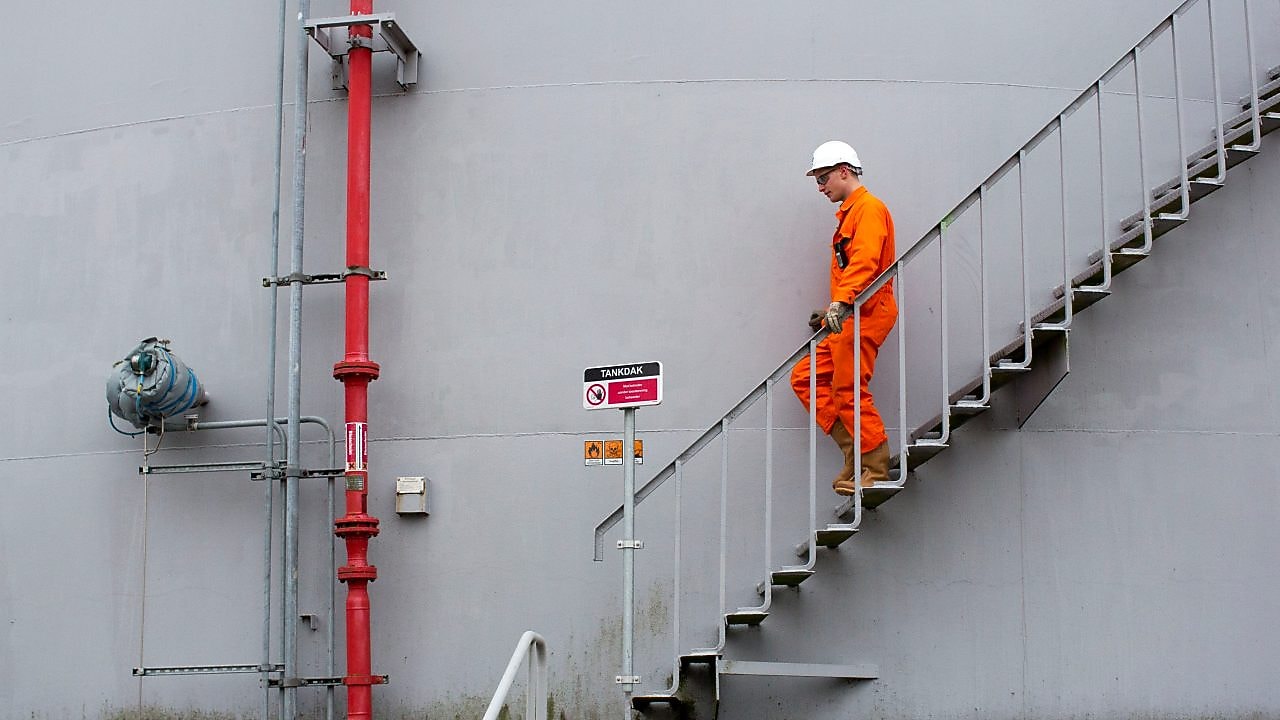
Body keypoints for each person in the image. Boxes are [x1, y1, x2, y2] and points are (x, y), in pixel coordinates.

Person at [790, 140, 897, 496]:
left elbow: (866, 263)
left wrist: (843, 302)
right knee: (805, 377)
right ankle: (854, 452)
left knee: (849, 390)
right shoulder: (851, 213)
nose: (821, 188)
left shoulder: (868, 209)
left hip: (865, 314)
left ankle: (876, 465)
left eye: (823, 179)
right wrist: (833, 309)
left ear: (843, 171)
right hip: (850, 313)